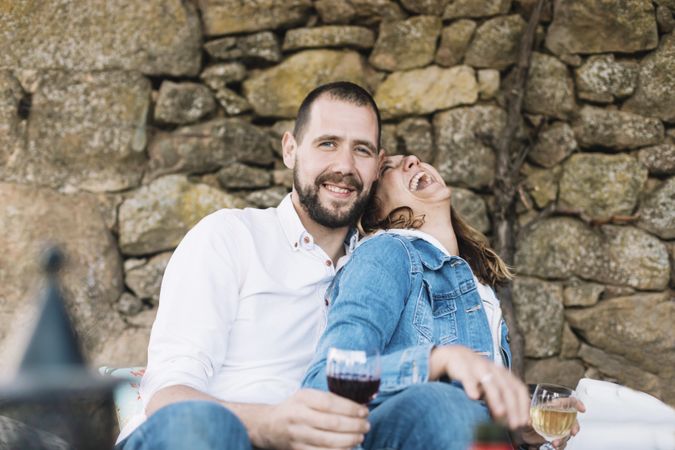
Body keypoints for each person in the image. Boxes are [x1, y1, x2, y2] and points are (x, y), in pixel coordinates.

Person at [115, 81, 383, 450]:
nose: (344, 166)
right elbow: (168, 395)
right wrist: (269, 423)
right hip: (198, 438)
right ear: (290, 150)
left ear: (379, 165)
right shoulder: (229, 237)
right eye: (327, 143)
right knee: (206, 428)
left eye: (362, 150)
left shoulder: (380, 271)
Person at [301, 154, 585, 450]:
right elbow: (329, 381)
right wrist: (436, 361)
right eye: (388, 168)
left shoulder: (478, 288)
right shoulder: (386, 252)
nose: (412, 159)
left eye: (412, 157)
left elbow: (471, 425)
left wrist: (520, 432)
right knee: (442, 402)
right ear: (374, 210)